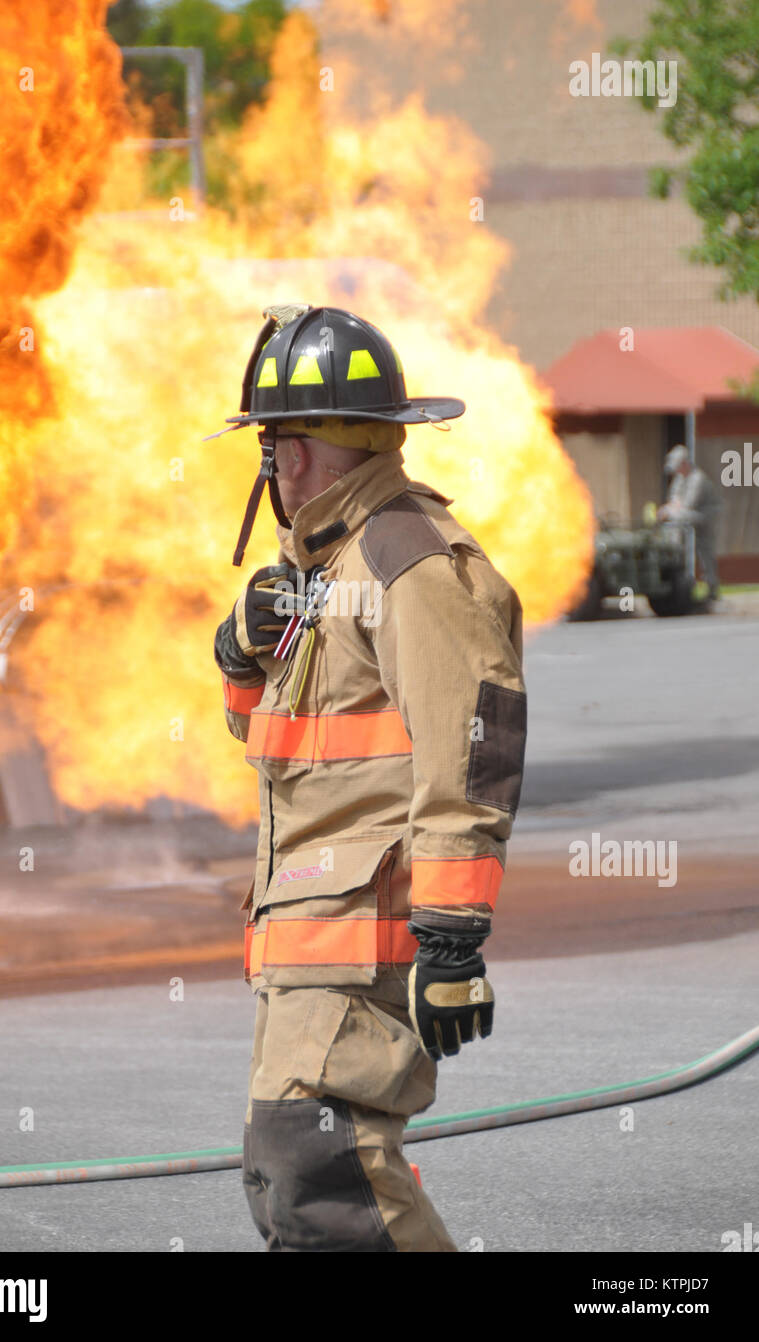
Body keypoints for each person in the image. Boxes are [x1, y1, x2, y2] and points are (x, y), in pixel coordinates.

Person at [212, 303, 527, 1252]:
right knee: (290, 1178)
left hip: (366, 930)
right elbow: (277, 742)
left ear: (292, 454)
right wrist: (238, 654)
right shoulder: (325, 568)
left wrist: (452, 937)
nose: (269, 469)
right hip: (310, 933)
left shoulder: (409, 562)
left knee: (326, 1170)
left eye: (270, 446)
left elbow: (471, 744)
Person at [658, 444, 722, 599]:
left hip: (703, 518)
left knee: (705, 552)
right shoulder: (680, 479)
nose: (676, 471)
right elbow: (673, 499)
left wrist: (671, 509)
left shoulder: (698, 478)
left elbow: (687, 504)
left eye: (678, 466)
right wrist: (671, 508)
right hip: (687, 517)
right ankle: (683, 584)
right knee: (675, 532)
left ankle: (712, 590)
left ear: (685, 464)